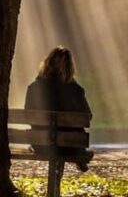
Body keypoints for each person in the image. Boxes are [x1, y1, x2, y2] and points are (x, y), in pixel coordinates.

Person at [24, 46, 92, 183]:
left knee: (55, 135)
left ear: (48, 63)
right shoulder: (76, 89)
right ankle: (79, 156)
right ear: (70, 67)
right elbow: (88, 116)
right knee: (66, 136)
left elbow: (28, 115)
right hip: (69, 147)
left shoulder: (34, 87)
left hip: (41, 144)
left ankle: (54, 187)